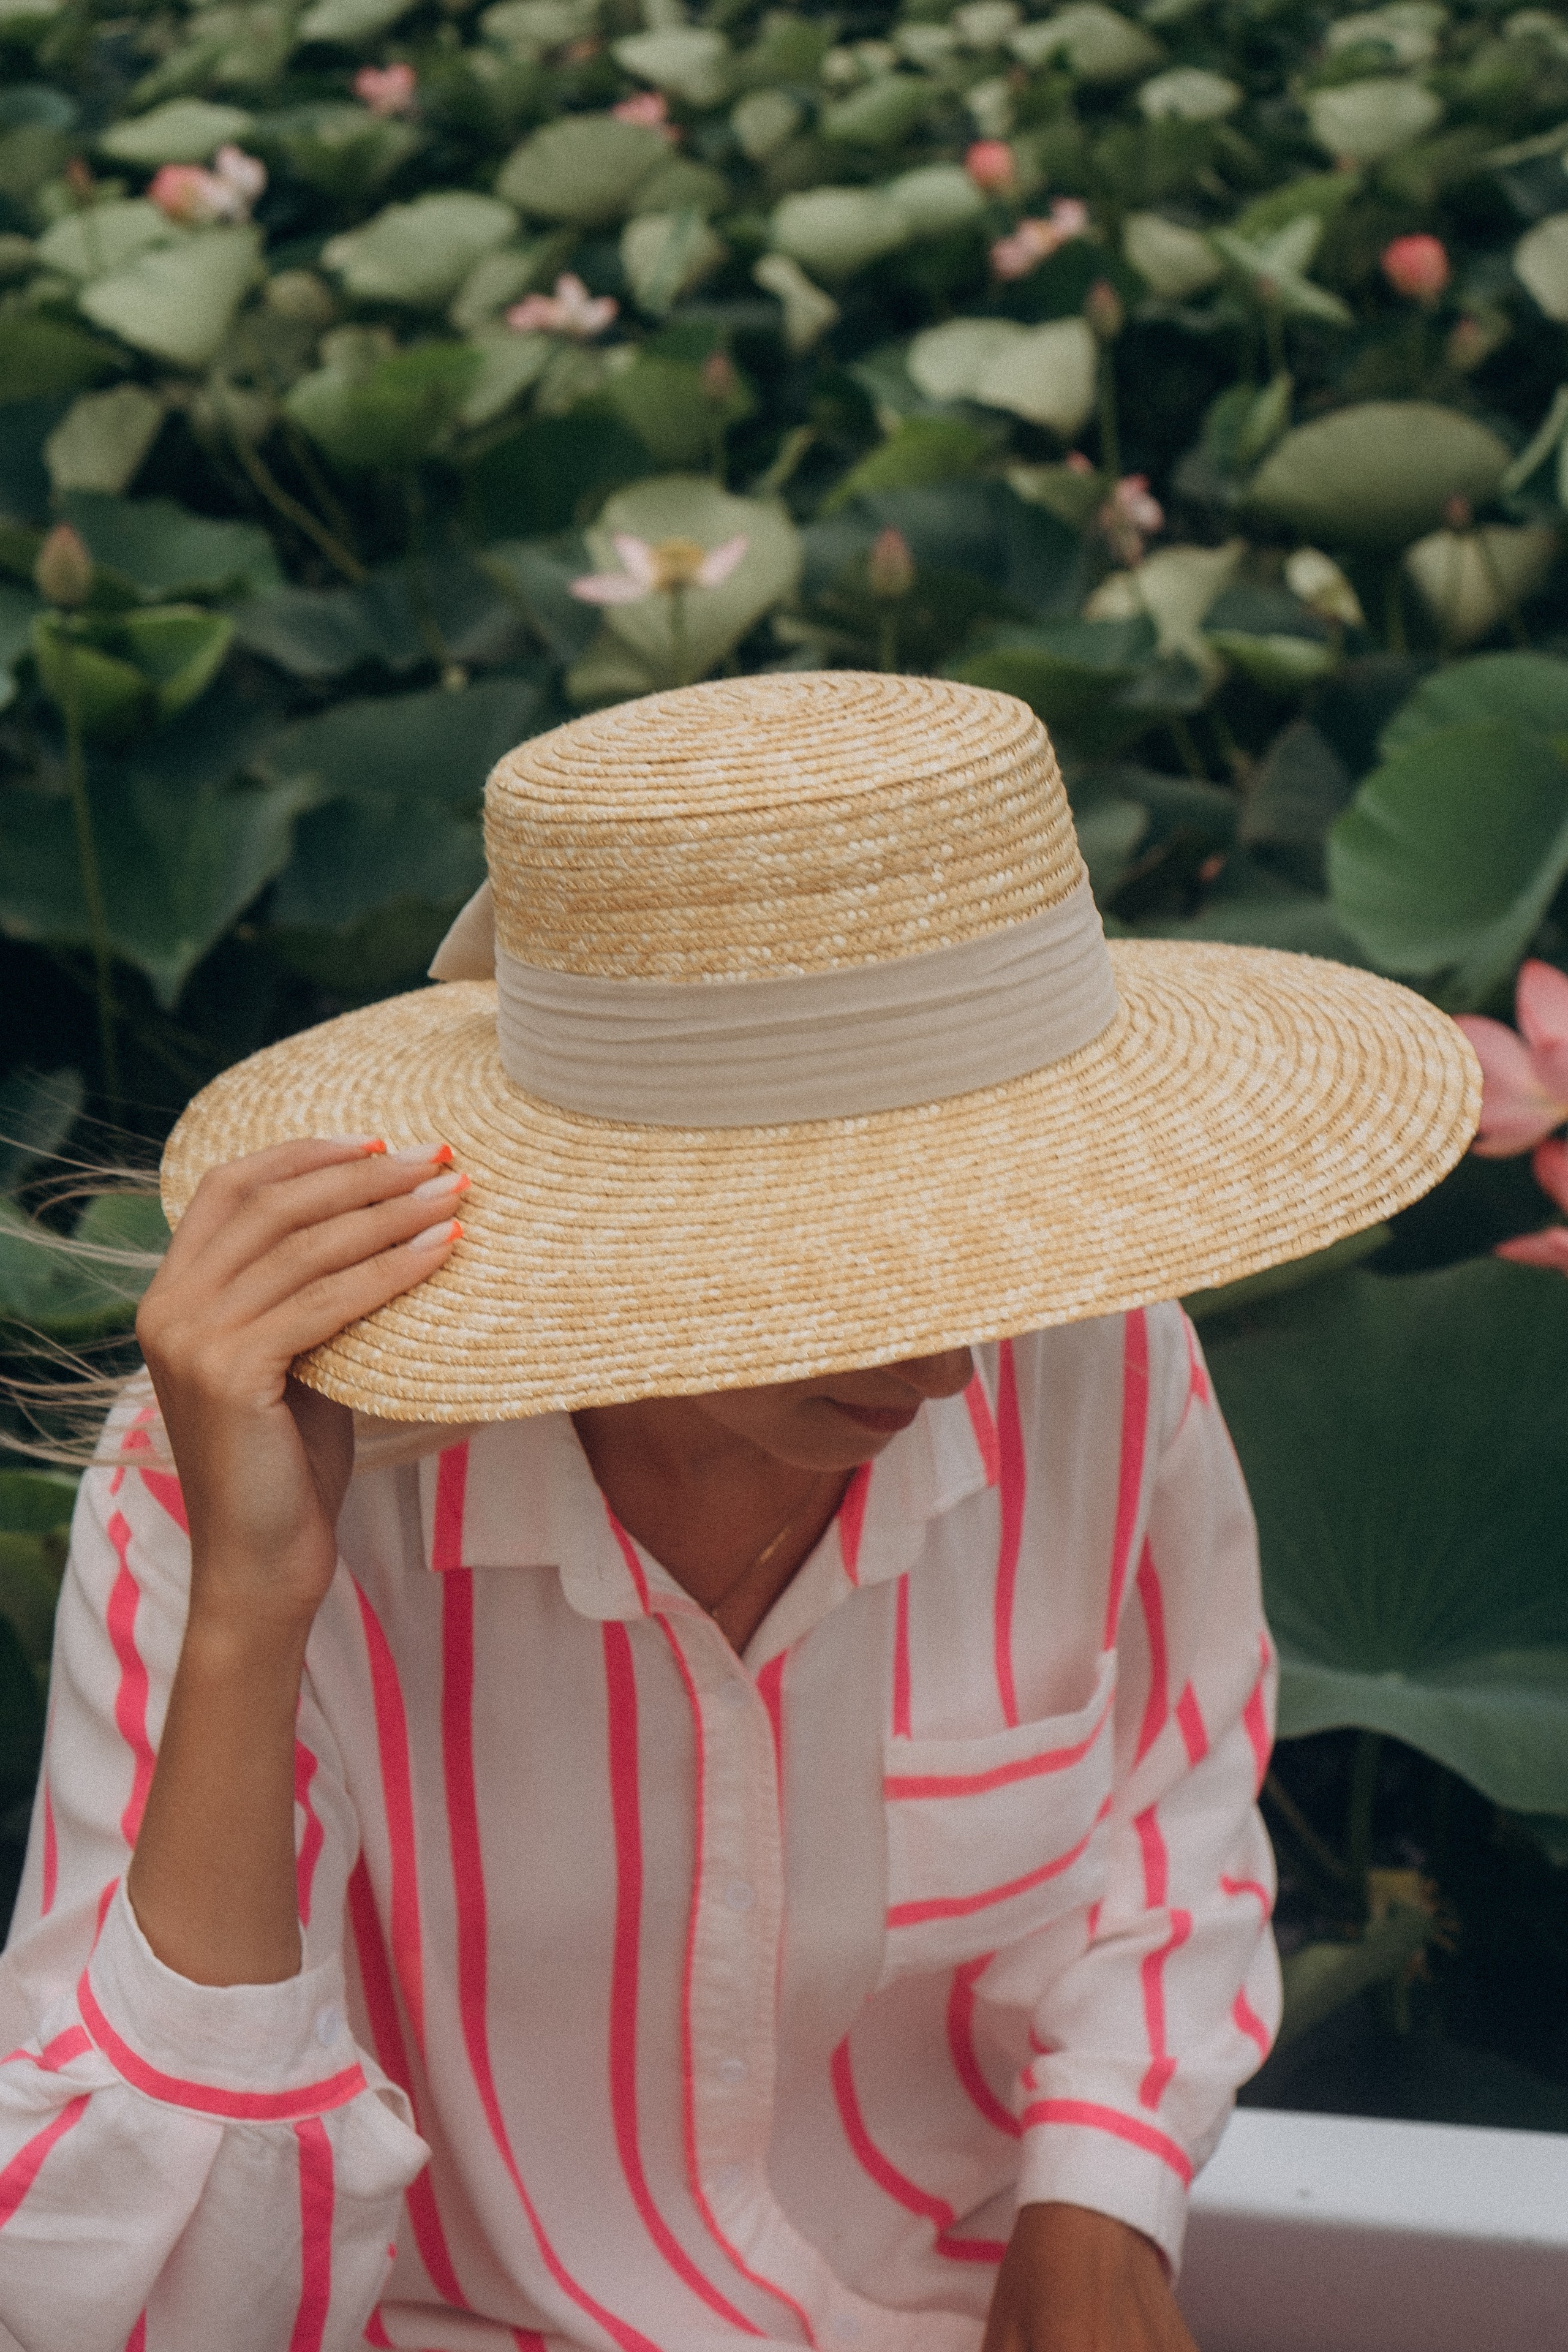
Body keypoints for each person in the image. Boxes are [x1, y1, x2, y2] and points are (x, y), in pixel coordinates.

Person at [0, 674, 1477, 2352]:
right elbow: (140, 2316)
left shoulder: (1097, 1354)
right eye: (834, 1260)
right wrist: (255, 1606)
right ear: (597, 1201)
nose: (941, 1349)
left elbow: (1168, 1824)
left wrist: (1103, 2191)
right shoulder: (235, 1488)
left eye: (996, 1217)